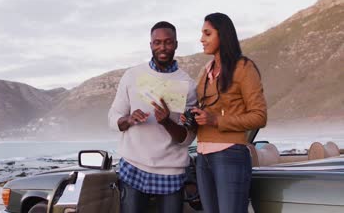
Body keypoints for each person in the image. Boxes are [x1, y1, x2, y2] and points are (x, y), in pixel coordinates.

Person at [108, 21, 197, 213]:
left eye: (168, 42)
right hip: (133, 166)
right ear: (150, 45)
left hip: (171, 171)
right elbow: (113, 117)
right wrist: (128, 120)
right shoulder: (132, 75)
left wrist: (166, 122)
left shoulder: (187, 85)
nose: (162, 48)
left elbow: (187, 138)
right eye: (157, 42)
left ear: (176, 44)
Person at [188, 12, 267, 213]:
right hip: (202, 156)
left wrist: (216, 120)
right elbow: (203, 109)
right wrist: (190, 117)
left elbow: (259, 116)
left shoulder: (244, 67)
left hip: (230, 154)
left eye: (207, 34)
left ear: (222, 35)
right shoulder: (205, 71)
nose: (201, 39)